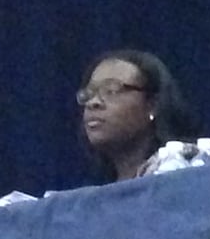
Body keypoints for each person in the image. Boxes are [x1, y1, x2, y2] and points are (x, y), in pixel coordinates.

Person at [78, 49, 200, 182]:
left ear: (152, 105)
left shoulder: (182, 174)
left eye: (111, 90)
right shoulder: (94, 195)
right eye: (90, 93)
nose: (93, 102)